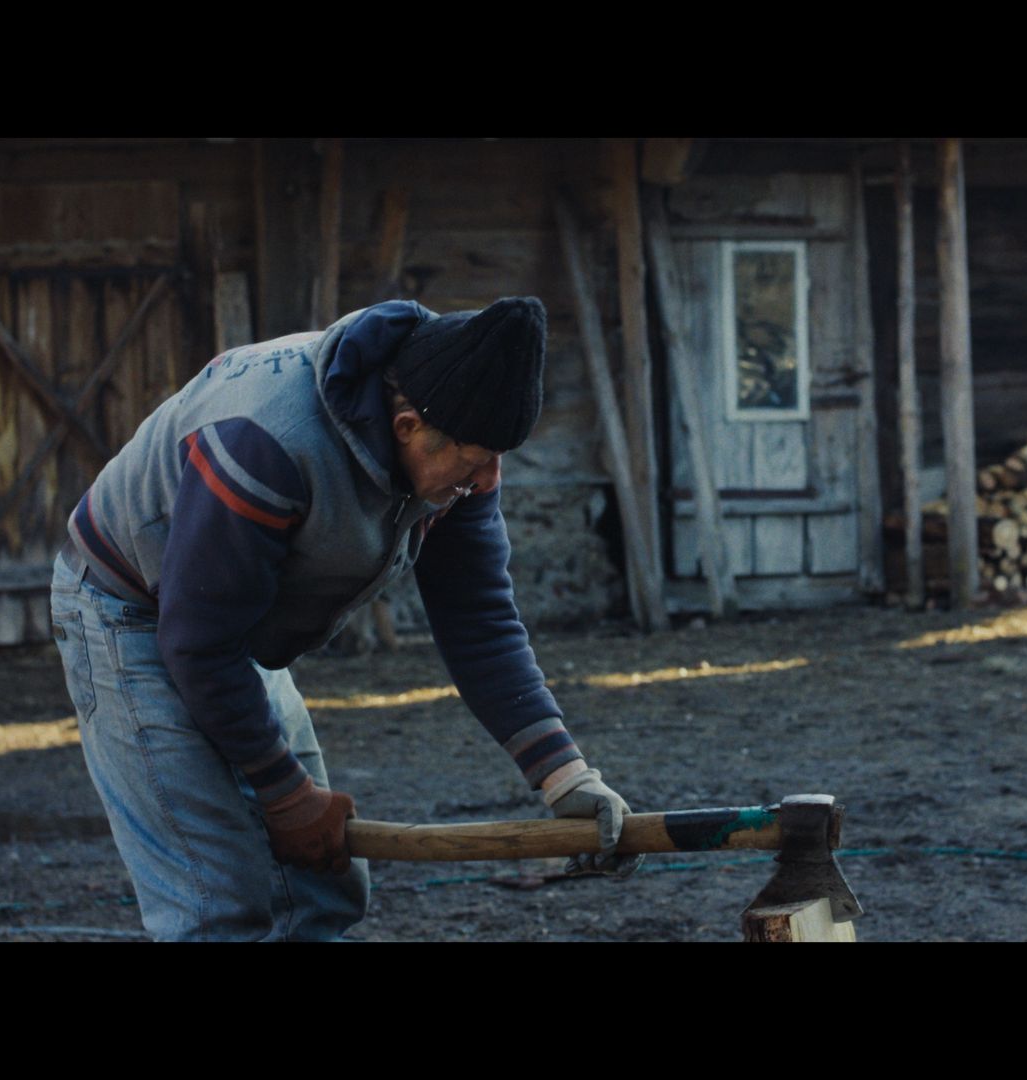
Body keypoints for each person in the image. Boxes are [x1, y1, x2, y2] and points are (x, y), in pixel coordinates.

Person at [47, 296, 640, 941]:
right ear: (407, 427)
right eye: (474, 462)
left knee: (322, 887)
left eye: (498, 459)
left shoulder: (459, 439)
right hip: (128, 608)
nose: (488, 479)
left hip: (230, 620)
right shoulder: (268, 444)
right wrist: (285, 794)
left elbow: (480, 620)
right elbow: (200, 643)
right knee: (217, 904)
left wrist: (565, 777)